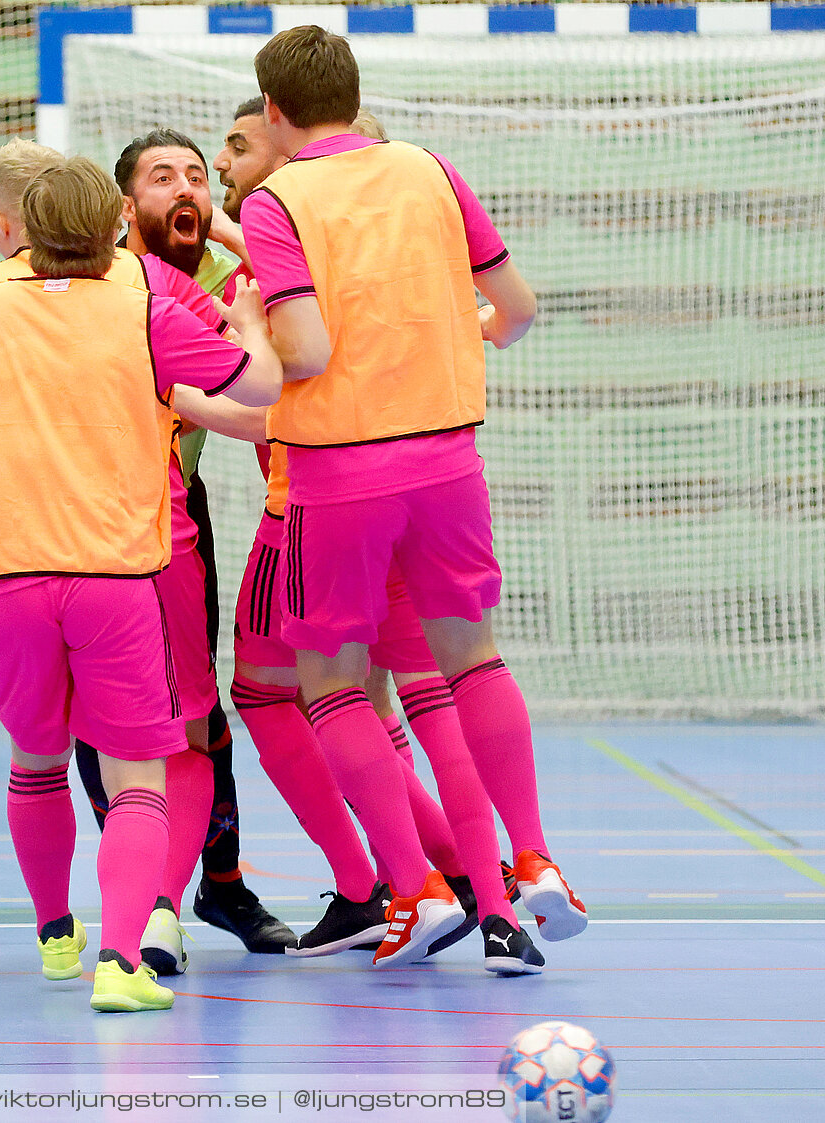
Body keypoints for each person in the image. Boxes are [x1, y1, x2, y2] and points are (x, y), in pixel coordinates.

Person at [0, 155, 281, 1012]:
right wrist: (249, 321)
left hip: (13, 571)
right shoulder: (145, 296)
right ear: (116, 222)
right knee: (143, 769)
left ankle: (33, 928)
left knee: (27, 756)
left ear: (15, 226)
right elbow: (258, 391)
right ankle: (126, 954)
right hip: (123, 570)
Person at [241, 25, 582, 968]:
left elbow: (302, 352)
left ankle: (414, 885)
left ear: (274, 112)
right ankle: (537, 860)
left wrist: (239, 352)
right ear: (355, 92)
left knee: (332, 684)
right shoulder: (433, 170)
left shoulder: (278, 201)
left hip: (339, 473)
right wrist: (449, 333)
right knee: (472, 661)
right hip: (448, 462)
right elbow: (516, 312)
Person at [70, 128, 299, 959]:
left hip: (174, 510)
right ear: (125, 206)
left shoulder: (230, 281)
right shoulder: (92, 278)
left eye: (198, 177)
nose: (188, 190)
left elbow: (273, 379)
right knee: (103, 717)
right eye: (164, 178)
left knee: (202, 714)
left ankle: (222, 885)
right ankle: (142, 884)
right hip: (80, 517)